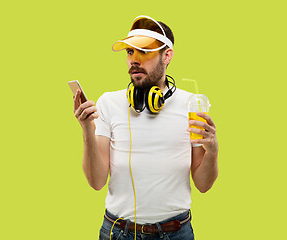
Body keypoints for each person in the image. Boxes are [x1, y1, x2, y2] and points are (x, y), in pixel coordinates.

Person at [73, 15, 218, 240]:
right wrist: (86, 130)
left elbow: (203, 184)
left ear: (167, 55)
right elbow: (96, 182)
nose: (134, 60)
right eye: (130, 52)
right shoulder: (108, 103)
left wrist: (213, 151)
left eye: (144, 52)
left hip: (176, 232)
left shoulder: (192, 104)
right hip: (118, 232)